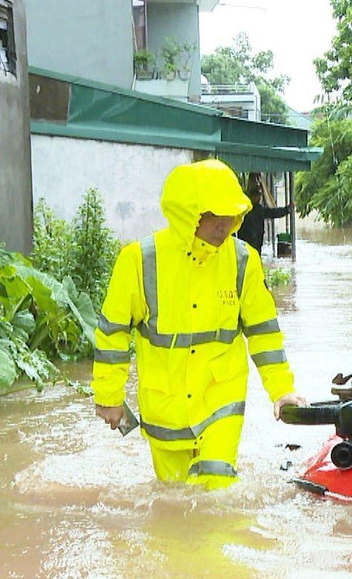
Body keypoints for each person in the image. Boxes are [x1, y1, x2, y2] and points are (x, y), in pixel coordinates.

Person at [92, 159, 308, 488]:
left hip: (222, 397)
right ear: (187, 214)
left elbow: (264, 334)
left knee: (217, 491)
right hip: (165, 406)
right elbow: (113, 332)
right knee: (175, 502)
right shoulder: (138, 260)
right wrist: (109, 395)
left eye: (231, 215)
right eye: (213, 215)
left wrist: (282, 391)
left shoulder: (243, 262)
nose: (224, 225)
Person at [237, 172, 292, 252]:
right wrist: (287, 209)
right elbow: (274, 212)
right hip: (254, 244)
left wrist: (287, 209)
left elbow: (274, 212)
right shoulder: (258, 210)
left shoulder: (244, 208)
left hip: (245, 244)